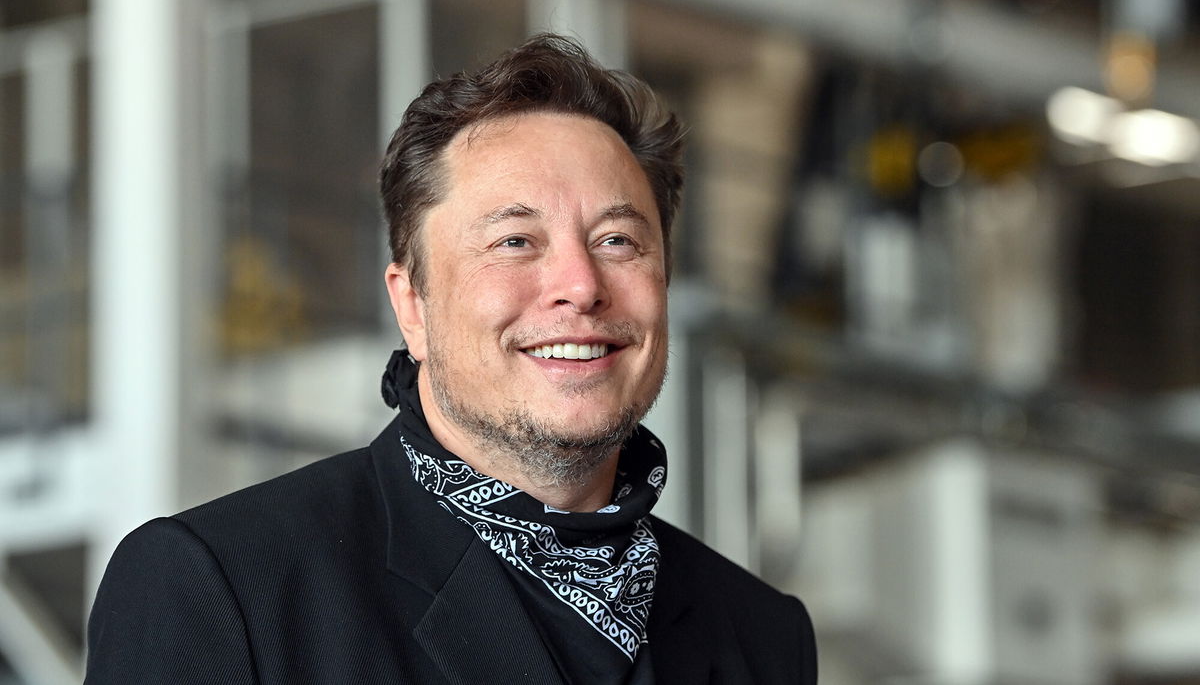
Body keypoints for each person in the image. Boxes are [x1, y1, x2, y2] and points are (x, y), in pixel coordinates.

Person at [84, 34, 818, 684]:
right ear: (413, 306)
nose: (580, 286)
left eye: (618, 241)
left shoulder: (761, 634)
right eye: (514, 242)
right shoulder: (220, 589)